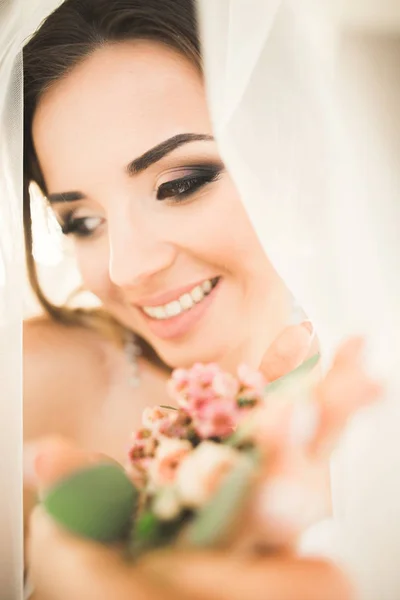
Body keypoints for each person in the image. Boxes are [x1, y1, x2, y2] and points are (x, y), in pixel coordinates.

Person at [22, 0, 380, 598]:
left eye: (180, 184)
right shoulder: (35, 382)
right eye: (82, 221)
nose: (127, 269)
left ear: (289, 159)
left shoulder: (373, 363)